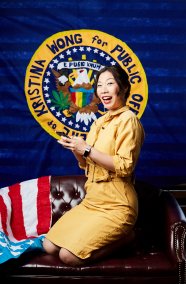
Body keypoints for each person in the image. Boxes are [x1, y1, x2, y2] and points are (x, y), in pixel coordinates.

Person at [43, 65, 145, 266]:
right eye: (99, 85)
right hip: (93, 201)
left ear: (123, 88)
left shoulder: (129, 120)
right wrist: (76, 149)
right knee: (49, 246)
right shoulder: (98, 122)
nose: (104, 90)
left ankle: (127, 238)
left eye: (110, 84)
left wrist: (87, 149)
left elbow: (125, 166)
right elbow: (87, 165)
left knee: (68, 256)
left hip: (117, 204)